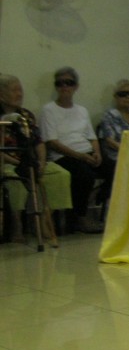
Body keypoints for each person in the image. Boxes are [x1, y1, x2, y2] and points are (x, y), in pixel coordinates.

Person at [0, 74, 70, 246]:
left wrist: (41, 161)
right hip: (8, 162)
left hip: (31, 161)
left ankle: (43, 220)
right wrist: (19, 163)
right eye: (14, 90)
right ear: (1, 94)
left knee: (60, 175)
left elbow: (39, 142)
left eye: (20, 90)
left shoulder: (26, 115)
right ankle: (17, 225)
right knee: (15, 180)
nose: (19, 94)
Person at [39, 66, 105, 233]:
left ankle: (93, 207)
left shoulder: (82, 110)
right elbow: (52, 142)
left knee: (116, 169)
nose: (64, 87)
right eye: (60, 83)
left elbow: (92, 137)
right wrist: (81, 156)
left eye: (68, 83)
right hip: (63, 155)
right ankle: (80, 217)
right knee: (85, 175)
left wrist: (97, 153)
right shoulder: (49, 110)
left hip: (86, 152)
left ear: (76, 86)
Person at [97, 79, 129, 197]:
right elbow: (109, 140)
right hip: (116, 155)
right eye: (123, 94)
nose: (128, 97)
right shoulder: (109, 115)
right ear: (116, 97)